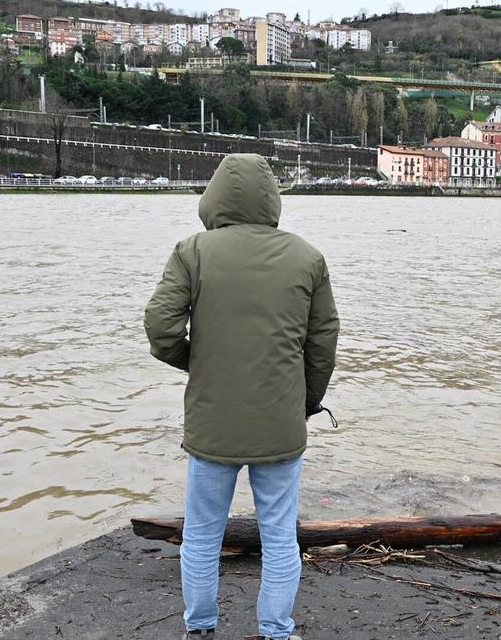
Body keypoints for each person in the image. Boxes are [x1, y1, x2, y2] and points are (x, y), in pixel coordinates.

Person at [145, 153, 339, 640]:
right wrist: (307, 401)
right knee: (278, 535)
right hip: (280, 423)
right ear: (271, 199)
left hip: (213, 424)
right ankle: (275, 631)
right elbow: (322, 344)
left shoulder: (192, 251)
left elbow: (160, 327)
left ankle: (200, 628)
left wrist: (199, 364)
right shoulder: (307, 257)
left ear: (213, 199)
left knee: (203, 534)